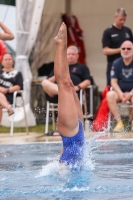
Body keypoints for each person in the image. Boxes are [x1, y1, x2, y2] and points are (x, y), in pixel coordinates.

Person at [53, 22, 85, 171]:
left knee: (64, 84)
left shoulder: (63, 170)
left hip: (71, 134)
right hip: (78, 131)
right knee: (69, 84)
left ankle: (61, 44)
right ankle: (62, 45)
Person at [106, 40, 133, 132]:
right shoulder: (116, 62)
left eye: (128, 48)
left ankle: (131, 121)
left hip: (132, 92)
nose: (126, 50)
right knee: (110, 94)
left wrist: (130, 94)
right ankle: (119, 123)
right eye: (123, 48)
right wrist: (121, 94)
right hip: (120, 91)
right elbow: (113, 81)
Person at [102, 7, 133, 86]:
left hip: (128, 66)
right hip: (113, 64)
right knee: (112, 88)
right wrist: (121, 50)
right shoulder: (108, 32)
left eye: (124, 19)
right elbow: (105, 50)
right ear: (115, 17)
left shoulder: (128, 31)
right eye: (120, 19)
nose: (122, 22)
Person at [0, 53, 23, 124]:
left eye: (9, 59)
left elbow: (19, 86)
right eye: (5, 59)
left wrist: (7, 90)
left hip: (11, 97)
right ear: (2, 62)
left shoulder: (18, 73)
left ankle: (8, 106)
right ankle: (9, 108)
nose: (7, 61)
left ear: (13, 61)